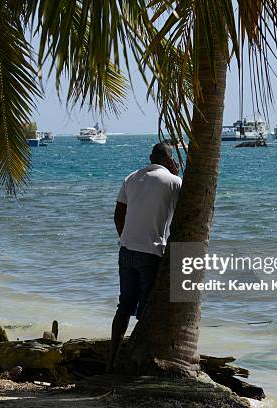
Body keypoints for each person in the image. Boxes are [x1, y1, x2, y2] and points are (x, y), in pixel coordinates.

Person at [107, 142, 182, 372]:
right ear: (170, 161)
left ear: (150, 157)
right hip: (152, 253)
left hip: (127, 250)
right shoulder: (174, 182)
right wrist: (176, 174)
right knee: (147, 311)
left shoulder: (131, 178)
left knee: (124, 307)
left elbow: (118, 214)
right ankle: (141, 362)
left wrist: (127, 238)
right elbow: (182, 217)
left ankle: (111, 361)